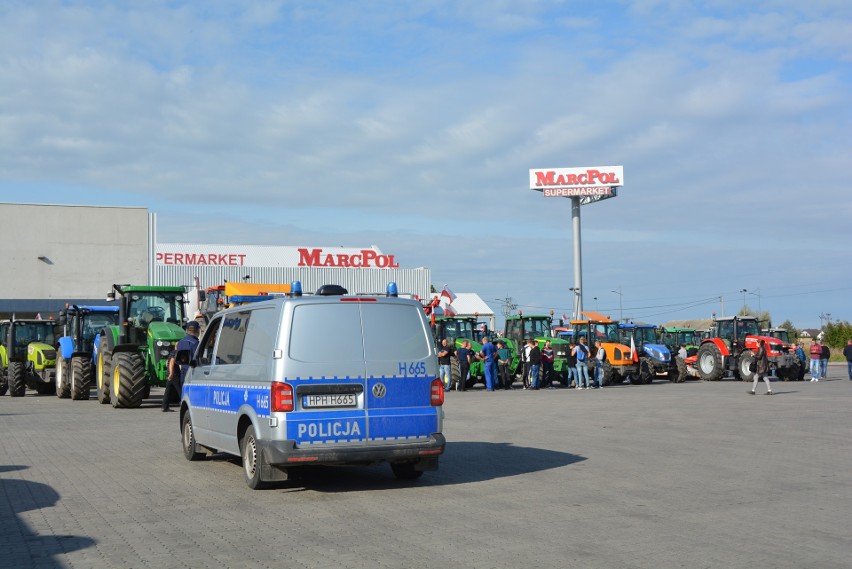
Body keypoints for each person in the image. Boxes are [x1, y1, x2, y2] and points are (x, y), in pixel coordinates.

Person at [163, 320, 200, 412]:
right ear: (197, 330)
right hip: (193, 371)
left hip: (183, 372)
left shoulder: (180, 343)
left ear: (187, 330)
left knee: (185, 394)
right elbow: (198, 358)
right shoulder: (195, 343)